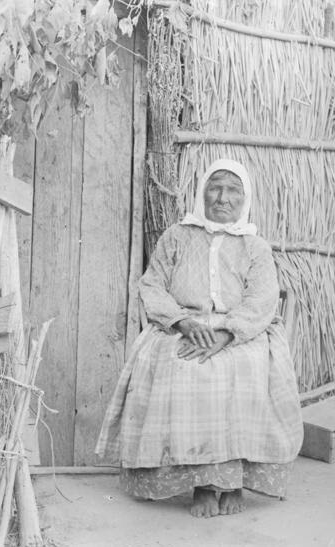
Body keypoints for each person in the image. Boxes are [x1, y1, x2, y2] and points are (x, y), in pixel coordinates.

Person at [96, 158, 303, 518]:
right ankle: (203, 485)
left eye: (233, 190)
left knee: (244, 366)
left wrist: (226, 334)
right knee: (177, 364)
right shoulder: (177, 236)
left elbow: (262, 300)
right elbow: (152, 286)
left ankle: (233, 481)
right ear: (202, 192)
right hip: (184, 326)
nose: (223, 198)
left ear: (246, 198)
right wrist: (181, 323)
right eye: (215, 187)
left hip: (242, 330)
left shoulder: (255, 247)